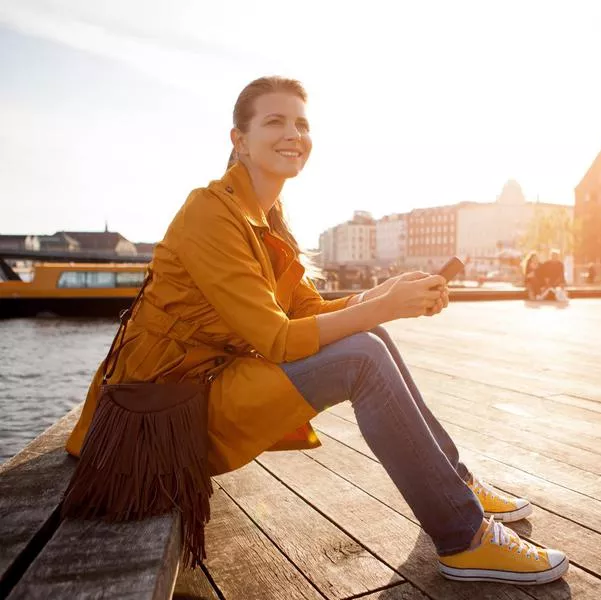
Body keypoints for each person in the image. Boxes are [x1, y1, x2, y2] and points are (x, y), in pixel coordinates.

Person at [65, 77, 568, 585]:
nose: (294, 134)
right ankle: (464, 538)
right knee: (361, 356)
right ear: (238, 140)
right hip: (153, 420)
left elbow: (306, 309)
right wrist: (383, 307)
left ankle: (455, 485)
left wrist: (381, 296)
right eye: (275, 121)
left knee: (372, 341)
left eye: (302, 123)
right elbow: (278, 338)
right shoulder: (209, 213)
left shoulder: (268, 217)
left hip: (203, 388)